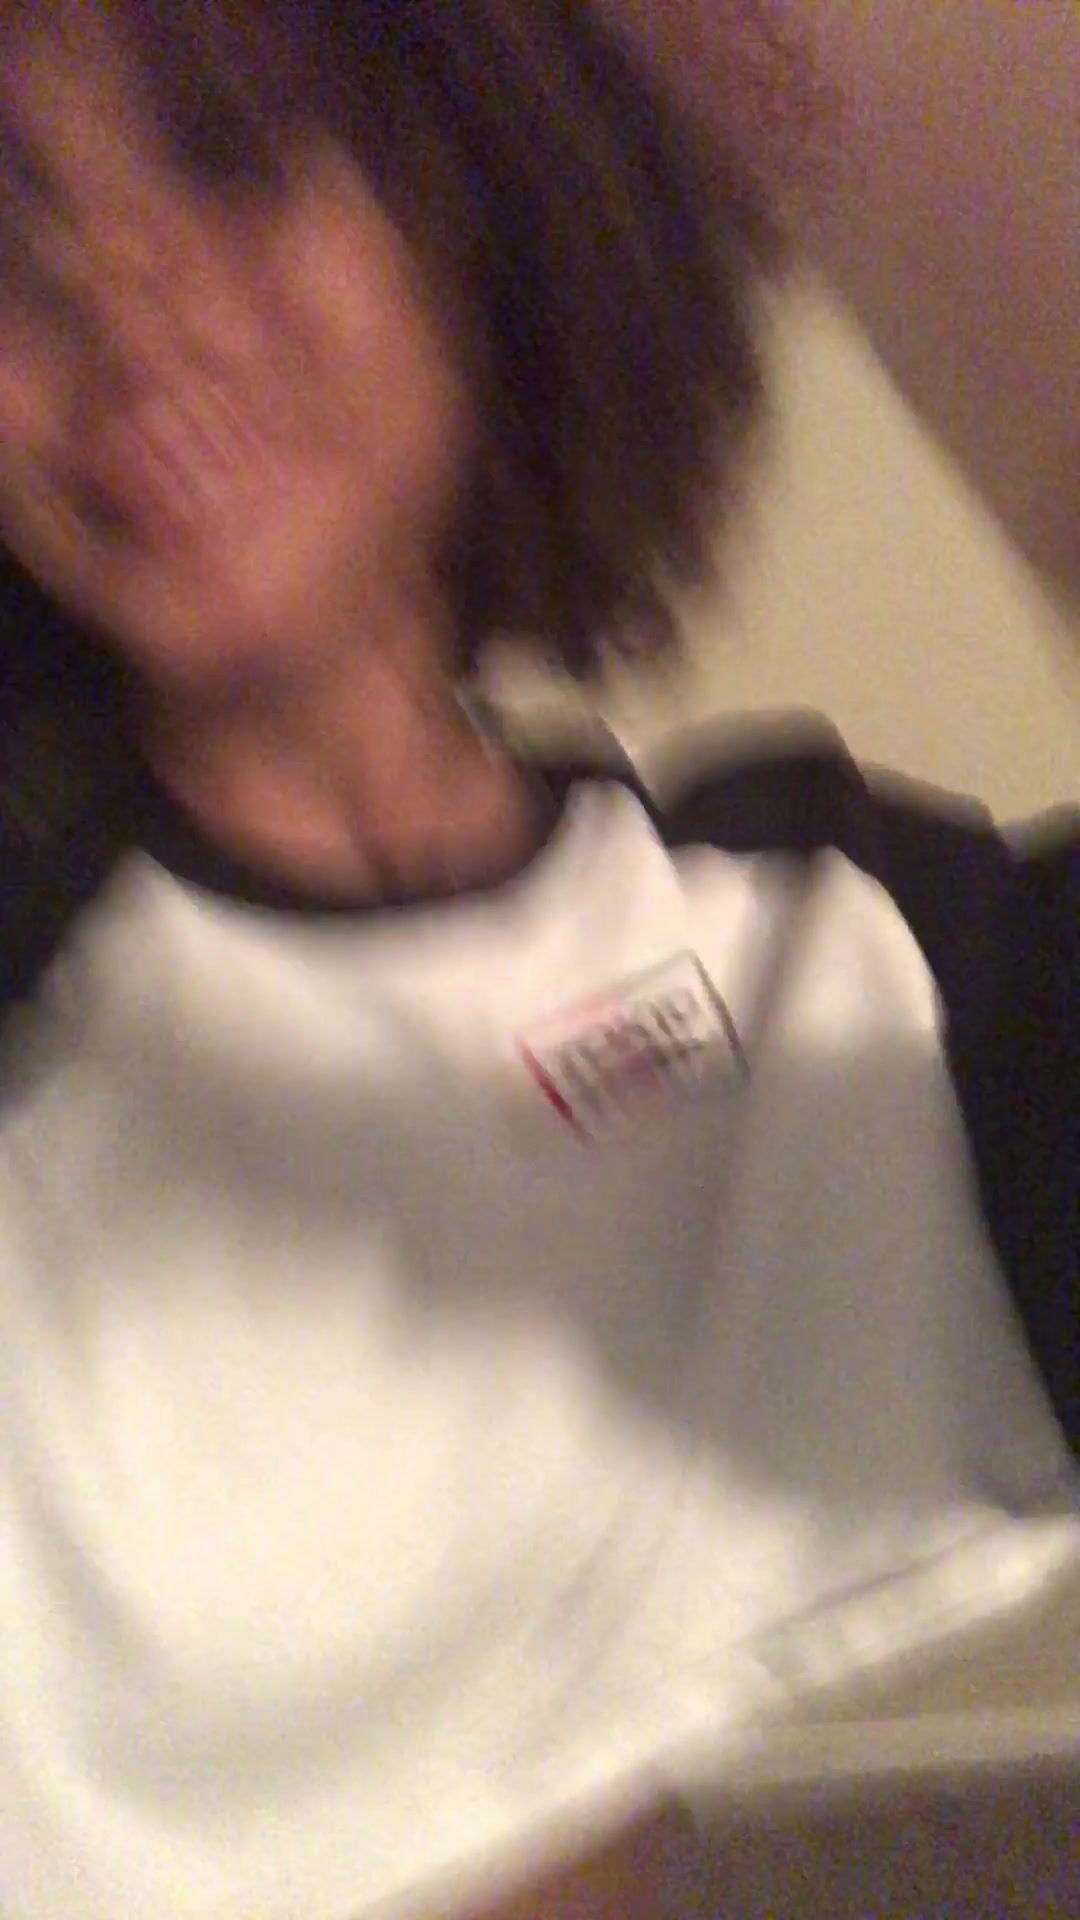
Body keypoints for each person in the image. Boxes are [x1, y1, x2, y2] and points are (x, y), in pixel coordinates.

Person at [0, 4, 1074, 1917]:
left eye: (232, 151)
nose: (118, 302)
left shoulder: (824, 948)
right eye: (2, 247)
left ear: (485, 193)